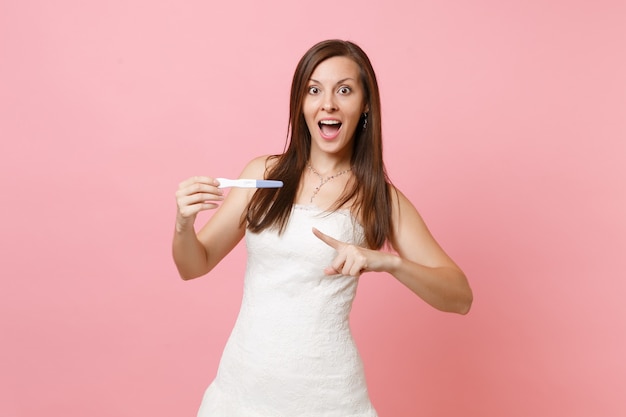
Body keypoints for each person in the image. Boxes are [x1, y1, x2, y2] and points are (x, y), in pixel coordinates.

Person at [173, 39, 473, 417]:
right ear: (301, 103)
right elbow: (193, 265)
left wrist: (388, 263)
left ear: (365, 105)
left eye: (343, 90)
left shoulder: (379, 198)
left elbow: (460, 297)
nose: (327, 103)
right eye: (314, 90)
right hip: (240, 391)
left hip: (328, 399)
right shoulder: (262, 175)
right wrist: (184, 223)